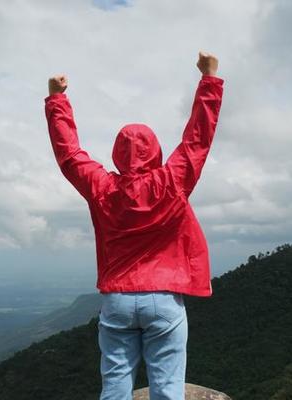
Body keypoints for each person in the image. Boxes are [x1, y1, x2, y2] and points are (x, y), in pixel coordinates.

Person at [44, 51, 224, 400]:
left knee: (114, 387)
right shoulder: (173, 180)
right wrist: (209, 78)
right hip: (165, 299)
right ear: (155, 150)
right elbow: (198, 138)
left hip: (118, 301)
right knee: (168, 388)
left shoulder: (103, 189)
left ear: (116, 153)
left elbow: (70, 155)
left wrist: (57, 100)